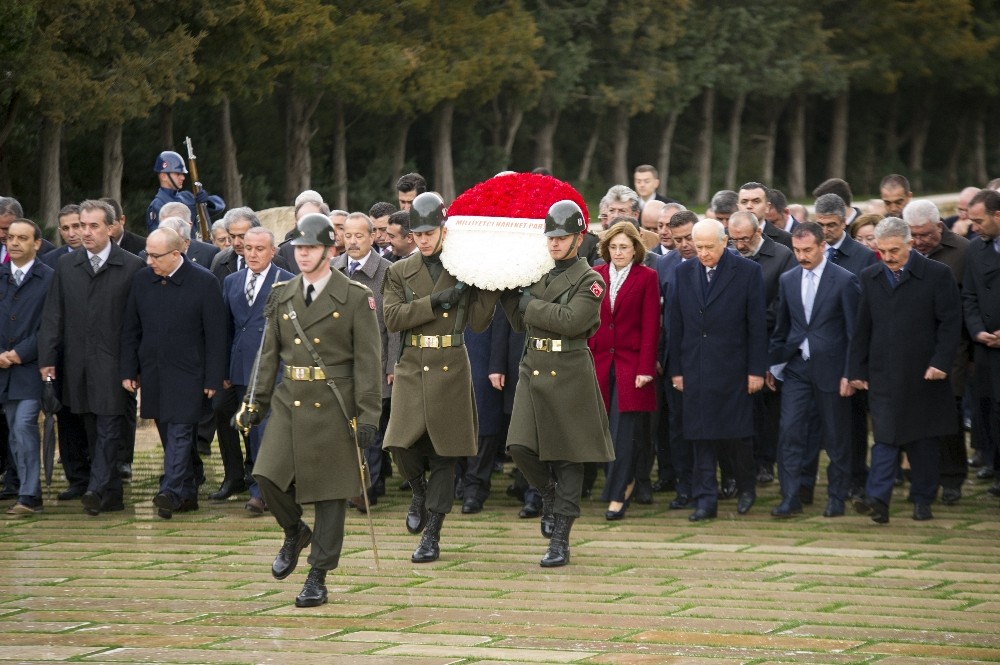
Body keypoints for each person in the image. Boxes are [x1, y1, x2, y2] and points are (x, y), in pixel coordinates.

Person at [242, 212, 381, 607]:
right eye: (299, 248)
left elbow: (368, 362)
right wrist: (255, 402)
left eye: (311, 248)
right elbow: (267, 357)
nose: (302, 255)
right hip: (290, 398)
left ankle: (318, 574)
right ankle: (294, 531)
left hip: (336, 402)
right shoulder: (282, 294)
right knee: (267, 474)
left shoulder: (355, 296)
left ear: (330, 250)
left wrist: (369, 416)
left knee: (330, 495)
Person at [383, 192, 499, 563]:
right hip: (413, 361)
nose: (425, 238)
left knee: (446, 455)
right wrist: (435, 302)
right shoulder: (399, 271)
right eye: (418, 233)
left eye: (431, 231)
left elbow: (479, 323)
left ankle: (432, 534)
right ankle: (418, 489)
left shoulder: (461, 266)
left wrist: (485, 283)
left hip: (451, 359)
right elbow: (393, 318)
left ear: (443, 229)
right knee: (400, 443)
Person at [501, 200, 614, 566]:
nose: (554, 244)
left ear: (579, 238)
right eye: (551, 237)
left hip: (568, 370)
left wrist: (528, 304)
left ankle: (560, 540)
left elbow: (571, 320)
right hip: (534, 365)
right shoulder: (538, 273)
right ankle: (548, 496)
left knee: (568, 458)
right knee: (519, 445)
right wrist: (506, 294)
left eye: (562, 237)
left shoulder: (591, 279)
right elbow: (521, 324)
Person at [850, 217, 960, 523]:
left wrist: (940, 362)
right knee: (884, 441)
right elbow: (862, 328)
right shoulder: (871, 276)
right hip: (883, 374)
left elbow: (951, 323)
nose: (888, 257)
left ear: (910, 244)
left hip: (923, 374)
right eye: (882, 251)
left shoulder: (937, 275)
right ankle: (877, 502)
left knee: (922, 442)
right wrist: (856, 369)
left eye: (894, 250)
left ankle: (923, 499)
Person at [39, 200, 144, 516]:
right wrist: (47, 359)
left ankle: (97, 488)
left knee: (110, 428)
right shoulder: (66, 267)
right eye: (81, 225)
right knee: (91, 427)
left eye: (93, 225)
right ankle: (111, 494)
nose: (85, 232)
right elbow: (53, 315)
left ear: (111, 228)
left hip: (115, 365)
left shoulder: (131, 266)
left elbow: (138, 323)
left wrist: (135, 365)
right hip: (77, 364)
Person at [120, 228, 228, 518]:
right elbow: (131, 328)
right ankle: (187, 491)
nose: (149, 261)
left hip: (190, 373)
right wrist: (130, 369)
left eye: (155, 256)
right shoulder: (142, 280)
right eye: (147, 255)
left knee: (180, 431)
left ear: (176, 254)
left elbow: (217, 335)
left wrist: (213, 377)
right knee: (170, 433)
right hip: (154, 372)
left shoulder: (204, 282)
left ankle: (169, 490)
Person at [668, 219, 767, 521]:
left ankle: (746, 487)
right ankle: (706, 499)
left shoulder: (748, 272)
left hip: (733, 368)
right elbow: (676, 326)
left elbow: (757, 326)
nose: (704, 253)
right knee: (700, 436)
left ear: (725, 242)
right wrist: (677, 370)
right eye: (699, 247)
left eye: (710, 247)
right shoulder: (683, 273)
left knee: (737, 436)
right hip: (696, 367)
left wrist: (756, 370)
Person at [768, 222, 859, 518]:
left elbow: (853, 333)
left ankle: (836, 496)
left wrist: (850, 372)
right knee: (790, 433)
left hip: (832, 370)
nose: (802, 256)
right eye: (796, 250)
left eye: (807, 250)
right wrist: (772, 364)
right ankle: (791, 496)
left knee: (836, 437)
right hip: (796, 368)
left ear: (822, 246)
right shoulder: (788, 279)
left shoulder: (844, 280)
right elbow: (782, 328)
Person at [589, 221, 659, 520]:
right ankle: (622, 481)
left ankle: (617, 494)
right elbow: (588, 321)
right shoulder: (596, 275)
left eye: (624, 247)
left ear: (635, 250)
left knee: (624, 431)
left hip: (632, 367)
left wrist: (646, 368)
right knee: (602, 429)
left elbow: (650, 327)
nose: (618, 252)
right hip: (599, 363)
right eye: (614, 247)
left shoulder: (647, 277)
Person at [222, 226, 294, 515]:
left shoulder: (287, 282)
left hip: (273, 371)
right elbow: (226, 328)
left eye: (259, 249)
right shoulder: (231, 281)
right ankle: (266, 483)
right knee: (249, 432)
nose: (252, 253)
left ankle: (261, 494)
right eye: (248, 248)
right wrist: (224, 370)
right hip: (240, 369)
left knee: (266, 431)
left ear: (273, 252)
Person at [904, 199, 970, 505]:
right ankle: (923, 478)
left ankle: (953, 477)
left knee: (950, 416)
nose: (919, 242)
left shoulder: (962, 252)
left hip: (954, 348)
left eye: (925, 235)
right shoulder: (904, 253)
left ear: (939, 227)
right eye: (913, 235)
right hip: (913, 348)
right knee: (917, 418)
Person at [331, 212, 398, 511]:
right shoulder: (333, 269)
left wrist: (392, 365)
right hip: (340, 363)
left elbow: (394, 324)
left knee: (371, 426)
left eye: (360, 236)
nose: (353, 242)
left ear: (373, 237)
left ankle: (367, 488)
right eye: (348, 235)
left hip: (376, 359)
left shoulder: (387, 271)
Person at [0, 219, 53, 515]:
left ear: (37, 244)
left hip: (33, 367)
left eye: (22, 238)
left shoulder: (49, 278)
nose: (15, 242)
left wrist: (20, 353)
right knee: (13, 429)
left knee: (24, 424)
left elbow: (51, 324)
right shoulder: (1, 275)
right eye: (10, 237)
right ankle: (25, 490)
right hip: (3, 369)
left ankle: (30, 494)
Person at [146, 150, 225, 234]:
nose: (183, 177)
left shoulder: (187, 196)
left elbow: (220, 205)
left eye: (182, 174)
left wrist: (207, 202)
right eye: (178, 174)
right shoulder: (157, 205)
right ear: (163, 176)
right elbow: (158, 238)